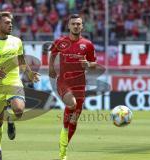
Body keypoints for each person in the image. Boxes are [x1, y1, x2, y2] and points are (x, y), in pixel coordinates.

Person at [0, 11, 40, 160]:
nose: (10, 24)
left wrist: (29, 73)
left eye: (11, 22)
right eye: (7, 22)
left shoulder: (17, 41)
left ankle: (11, 119)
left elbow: (21, 61)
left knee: (18, 110)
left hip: (13, 82)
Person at [49, 14, 97, 160]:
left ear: (82, 26)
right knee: (72, 103)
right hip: (63, 81)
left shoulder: (87, 44)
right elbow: (52, 54)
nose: (76, 26)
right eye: (73, 24)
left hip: (80, 84)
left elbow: (94, 64)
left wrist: (88, 65)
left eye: (78, 24)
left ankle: (63, 151)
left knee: (74, 120)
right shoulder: (60, 42)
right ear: (69, 26)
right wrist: (50, 67)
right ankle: (64, 129)